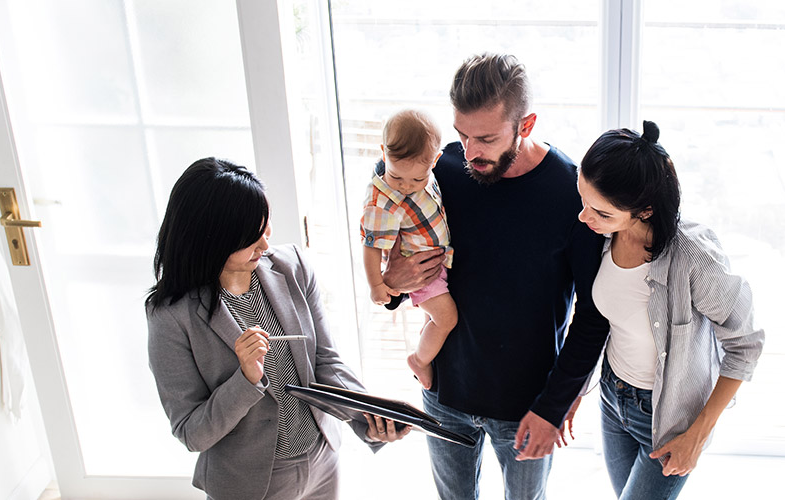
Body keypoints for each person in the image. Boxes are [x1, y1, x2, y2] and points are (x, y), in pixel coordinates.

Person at [380, 53, 610, 500]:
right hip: (445, 395)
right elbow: (392, 248)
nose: (469, 153)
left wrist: (555, 405)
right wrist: (393, 280)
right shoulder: (440, 172)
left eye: (485, 138)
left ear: (525, 125)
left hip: (529, 405)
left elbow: (594, 313)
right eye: (461, 135)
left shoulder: (570, 192)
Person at [147, 158, 410, 500]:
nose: (266, 246)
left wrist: (369, 417)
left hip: (322, 464)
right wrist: (245, 378)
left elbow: (325, 362)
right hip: (248, 485)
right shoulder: (170, 316)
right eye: (251, 238)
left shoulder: (294, 267)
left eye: (266, 229)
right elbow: (191, 432)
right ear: (210, 238)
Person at [574, 121, 765, 500]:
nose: (583, 217)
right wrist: (574, 391)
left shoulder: (694, 258)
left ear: (644, 210)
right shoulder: (600, 236)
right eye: (582, 201)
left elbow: (746, 345)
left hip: (668, 421)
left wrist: (698, 435)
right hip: (614, 398)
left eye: (600, 212)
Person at [360, 109, 457, 390]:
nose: (405, 187)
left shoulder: (428, 170)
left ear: (435, 161)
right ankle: (419, 360)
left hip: (436, 263)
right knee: (447, 318)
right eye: (396, 176)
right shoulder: (383, 201)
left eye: (417, 180)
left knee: (433, 318)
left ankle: (425, 351)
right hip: (420, 271)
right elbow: (371, 246)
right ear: (383, 154)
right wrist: (377, 284)